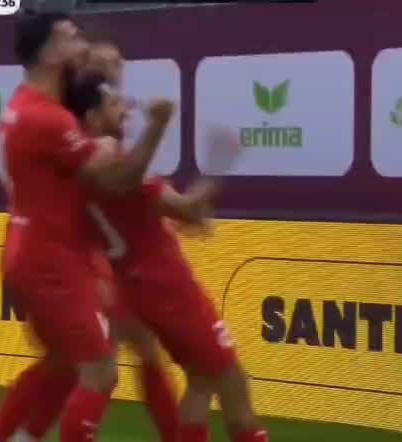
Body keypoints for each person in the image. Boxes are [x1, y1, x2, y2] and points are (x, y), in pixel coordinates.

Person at [0, 12, 174, 442]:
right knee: (100, 368)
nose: (85, 48)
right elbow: (116, 181)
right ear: (52, 53)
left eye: (116, 64)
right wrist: (150, 132)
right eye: (75, 39)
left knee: (71, 362)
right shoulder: (55, 120)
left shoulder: (32, 109)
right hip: (57, 257)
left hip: (57, 250)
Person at [66, 71, 270, 442]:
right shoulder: (116, 164)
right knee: (233, 383)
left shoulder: (81, 168)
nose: (126, 110)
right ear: (93, 117)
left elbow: (146, 213)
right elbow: (188, 208)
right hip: (169, 287)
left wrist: (170, 220)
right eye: (114, 104)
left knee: (201, 379)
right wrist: (218, 164)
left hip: (140, 285)